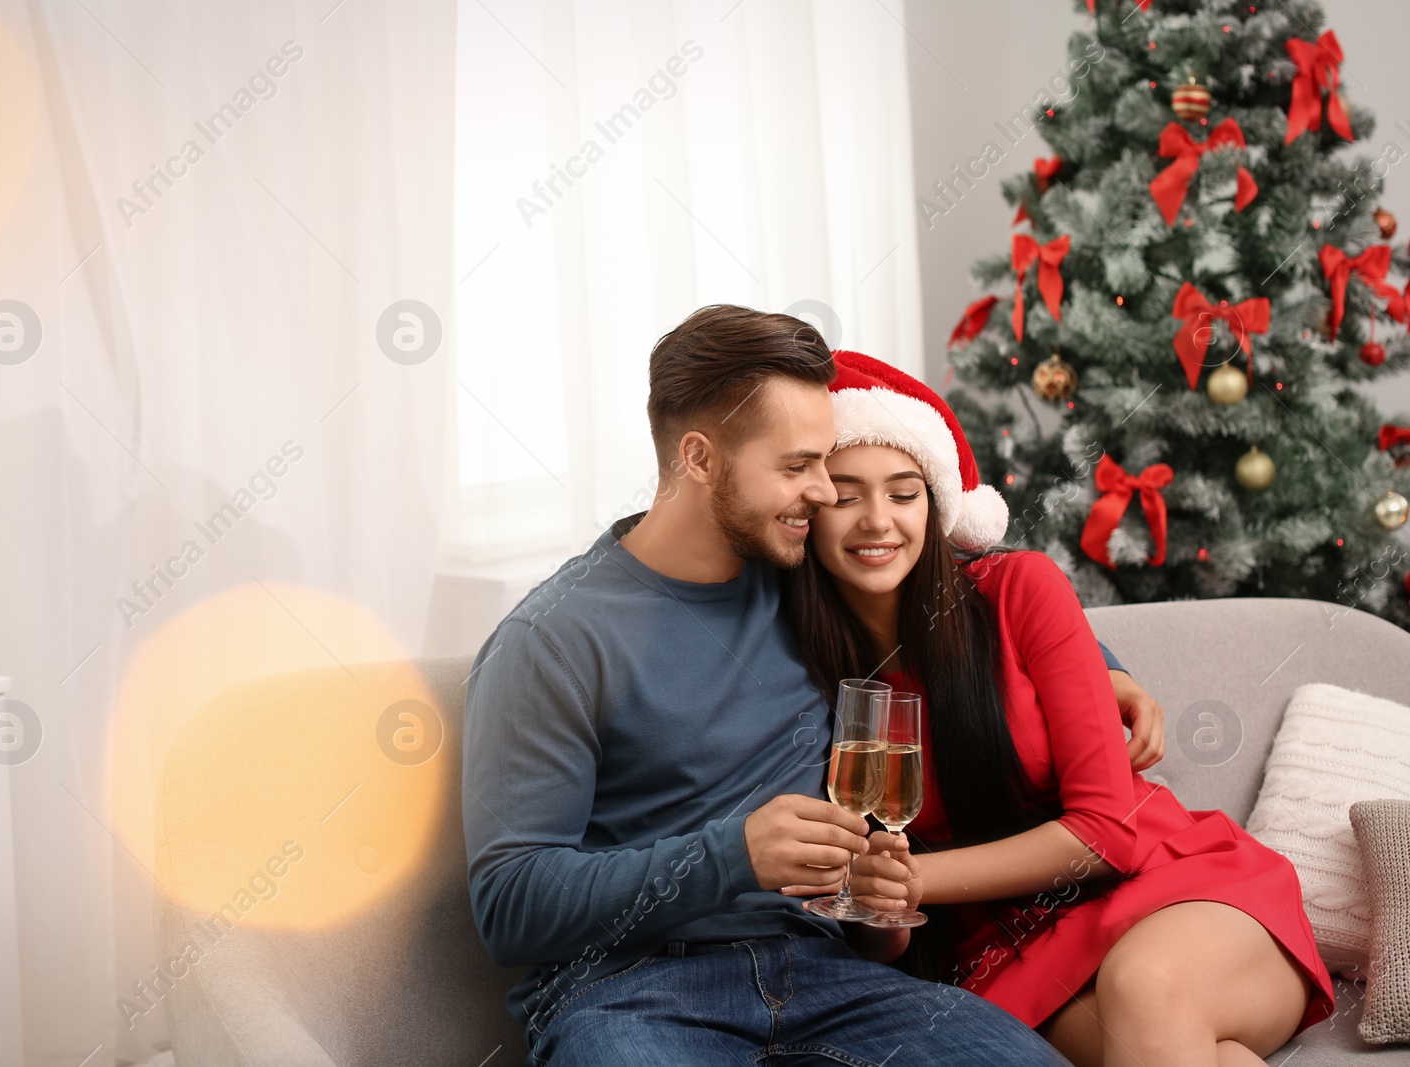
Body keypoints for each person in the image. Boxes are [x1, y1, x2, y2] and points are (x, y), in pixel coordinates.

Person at [462, 305, 1162, 1066]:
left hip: (835, 978)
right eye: (798, 466)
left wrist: (1105, 670)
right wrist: (730, 855)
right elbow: (509, 904)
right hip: (628, 990)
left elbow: (962, 590)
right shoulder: (555, 639)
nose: (826, 493)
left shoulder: (802, 579)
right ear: (699, 458)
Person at [780, 349, 1335, 1067]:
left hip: (1176, 889)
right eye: (847, 494)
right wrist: (879, 899)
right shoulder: (801, 663)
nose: (877, 521)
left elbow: (1109, 832)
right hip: (1014, 958)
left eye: (904, 491)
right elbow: (878, 930)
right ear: (811, 508)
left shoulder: (1019, 590)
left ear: (938, 502)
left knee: (1145, 988)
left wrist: (921, 877)